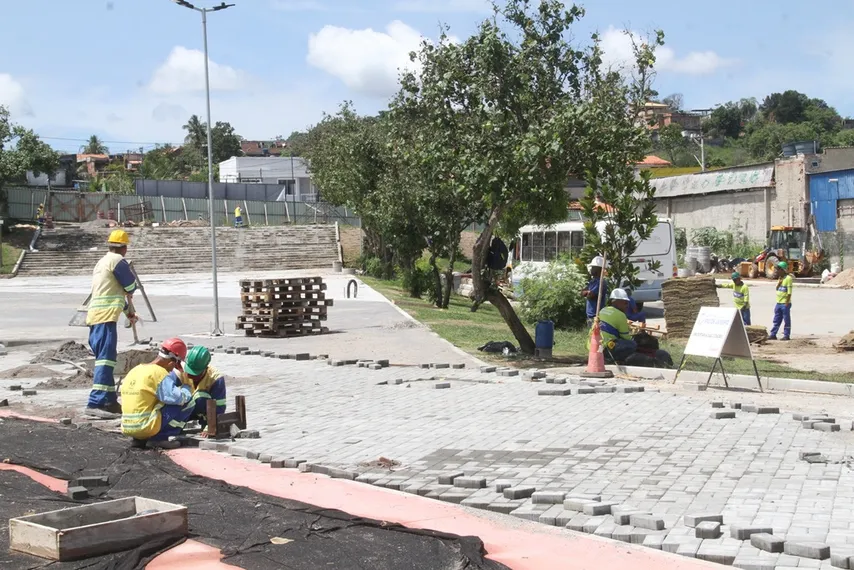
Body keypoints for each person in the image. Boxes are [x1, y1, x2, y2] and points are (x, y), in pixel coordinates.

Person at [85, 229, 138, 418]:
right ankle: (95, 403)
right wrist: (131, 289)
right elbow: (131, 285)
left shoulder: (102, 262)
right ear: (123, 248)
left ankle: (109, 402)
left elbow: (112, 294)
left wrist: (128, 312)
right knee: (105, 360)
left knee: (107, 359)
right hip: (105, 318)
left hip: (95, 317)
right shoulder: (118, 262)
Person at [120, 338, 192, 449]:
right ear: (171, 362)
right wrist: (187, 387)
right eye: (174, 367)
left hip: (127, 427)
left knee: (151, 400)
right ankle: (159, 439)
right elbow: (179, 398)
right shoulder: (159, 373)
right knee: (188, 402)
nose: (172, 370)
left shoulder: (135, 370)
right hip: (144, 427)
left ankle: (139, 440)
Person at [600, 289, 671, 366]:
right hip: (609, 346)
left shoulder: (602, 310)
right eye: (625, 303)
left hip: (598, 345)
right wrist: (635, 342)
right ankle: (616, 358)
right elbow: (625, 337)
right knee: (632, 344)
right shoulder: (620, 315)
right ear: (615, 302)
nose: (627, 305)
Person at [181, 345, 226, 429]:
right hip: (185, 409)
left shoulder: (216, 378)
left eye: (194, 374)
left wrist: (210, 426)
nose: (190, 376)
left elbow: (219, 407)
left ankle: (205, 422)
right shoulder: (180, 371)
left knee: (200, 397)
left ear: (205, 368)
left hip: (203, 410)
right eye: (189, 372)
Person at [581, 256, 609, 326]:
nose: (592, 269)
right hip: (590, 314)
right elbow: (582, 293)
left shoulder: (601, 282)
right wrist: (586, 292)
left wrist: (587, 292)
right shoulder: (593, 281)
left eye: (594, 267)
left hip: (596, 315)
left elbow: (590, 295)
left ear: (599, 269)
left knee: (596, 335)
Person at [769, 261, 793, 340]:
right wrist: (779, 283)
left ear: (783, 270)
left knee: (786, 320)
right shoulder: (780, 278)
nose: (777, 271)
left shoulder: (788, 278)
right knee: (776, 319)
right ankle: (773, 334)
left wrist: (786, 303)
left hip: (785, 303)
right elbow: (777, 289)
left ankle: (786, 335)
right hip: (778, 302)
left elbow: (789, 292)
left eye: (778, 269)